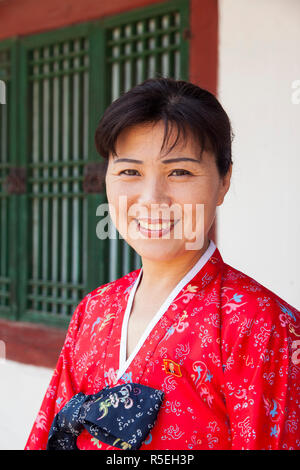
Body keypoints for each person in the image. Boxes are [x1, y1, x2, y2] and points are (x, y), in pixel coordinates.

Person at [25, 77, 299, 450]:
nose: (152, 199)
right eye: (130, 172)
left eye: (180, 172)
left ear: (224, 181)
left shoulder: (264, 326)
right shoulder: (95, 310)